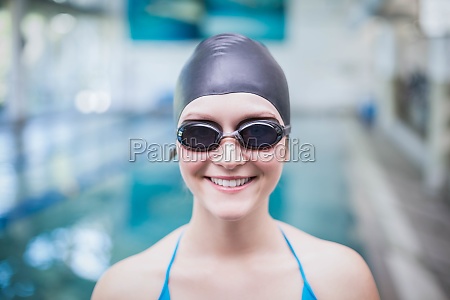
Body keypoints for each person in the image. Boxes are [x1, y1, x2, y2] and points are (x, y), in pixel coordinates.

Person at [92, 33, 380, 300]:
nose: (229, 159)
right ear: (178, 148)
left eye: (258, 132)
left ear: (287, 146)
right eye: (200, 134)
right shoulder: (124, 289)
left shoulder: (341, 281)